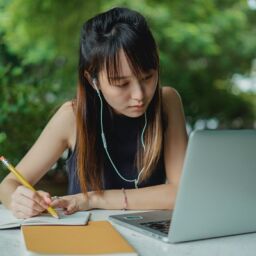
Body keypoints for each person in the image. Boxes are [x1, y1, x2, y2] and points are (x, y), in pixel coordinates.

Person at [0, 7, 188, 219]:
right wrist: (20, 200)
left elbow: (180, 193)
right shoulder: (72, 116)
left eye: (147, 77)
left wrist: (93, 199)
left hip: (149, 236)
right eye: (121, 83)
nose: (139, 95)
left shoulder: (167, 102)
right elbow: (8, 185)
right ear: (93, 80)